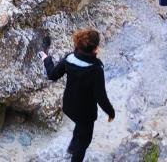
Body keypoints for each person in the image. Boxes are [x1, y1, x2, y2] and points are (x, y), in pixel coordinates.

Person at [42, 28, 115, 162]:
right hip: (85, 114)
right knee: (84, 143)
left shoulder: (69, 59)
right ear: (95, 49)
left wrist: (47, 59)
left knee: (79, 127)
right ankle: (75, 152)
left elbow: (52, 75)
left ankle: (71, 147)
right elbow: (101, 97)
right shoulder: (96, 70)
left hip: (69, 106)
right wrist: (111, 112)